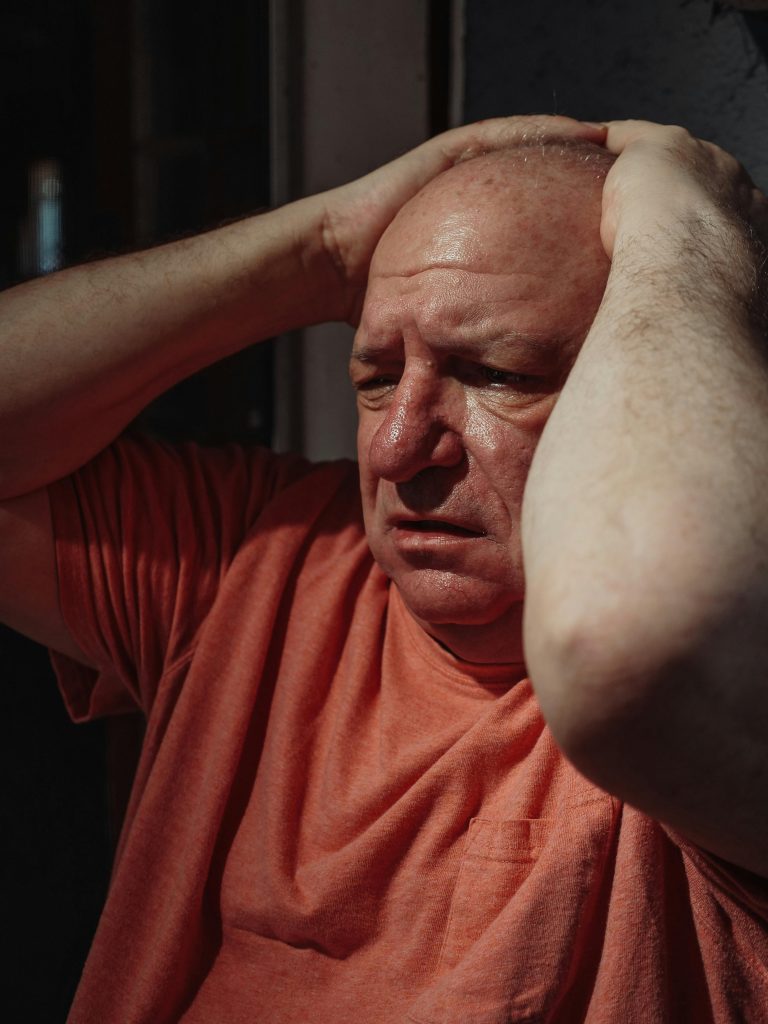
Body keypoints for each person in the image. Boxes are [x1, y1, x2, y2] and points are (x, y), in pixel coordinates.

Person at [1, 114, 768, 1021]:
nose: (399, 448)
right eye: (373, 377)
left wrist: (689, 243)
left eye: (497, 374)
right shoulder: (264, 556)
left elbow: (626, 644)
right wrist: (320, 251)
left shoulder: (723, 677)